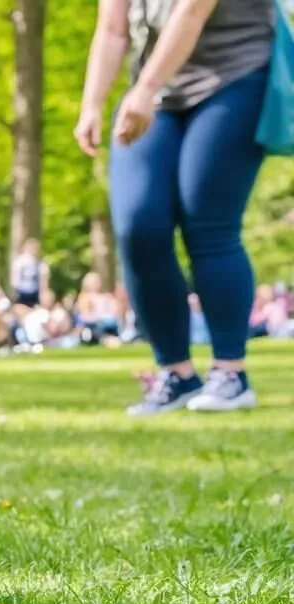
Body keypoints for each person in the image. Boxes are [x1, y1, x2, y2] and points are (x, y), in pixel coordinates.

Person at [76, 0, 277, 414]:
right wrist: (92, 104)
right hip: (157, 91)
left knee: (206, 220)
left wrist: (145, 89)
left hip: (234, 76)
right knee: (137, 225)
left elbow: (191, 11)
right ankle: (177, 374)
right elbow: (112, 28)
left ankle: (230, 373)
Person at [9, 238, 49, 308]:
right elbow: (15, 279)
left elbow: (43, 280)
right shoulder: (19, 262)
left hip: (36, 293)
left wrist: (43, 292)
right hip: (21, 292)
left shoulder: (40, 263)